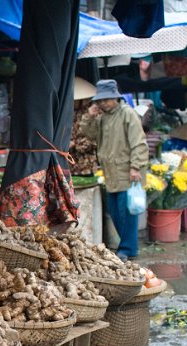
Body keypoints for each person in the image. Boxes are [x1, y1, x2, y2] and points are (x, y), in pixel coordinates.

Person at [80, 79, 149, 261]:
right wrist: (89, 116)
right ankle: (128, 248)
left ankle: (127, 249)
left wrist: (135, 167)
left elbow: (139, 143)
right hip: (111, 173)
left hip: (127, 172)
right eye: (100, 100)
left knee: (127, 213)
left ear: (115, 98)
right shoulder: (102, 117)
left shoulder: (127, 114)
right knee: (115, 212)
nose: (103, 103)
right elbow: (90, 135)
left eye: (106, 99)